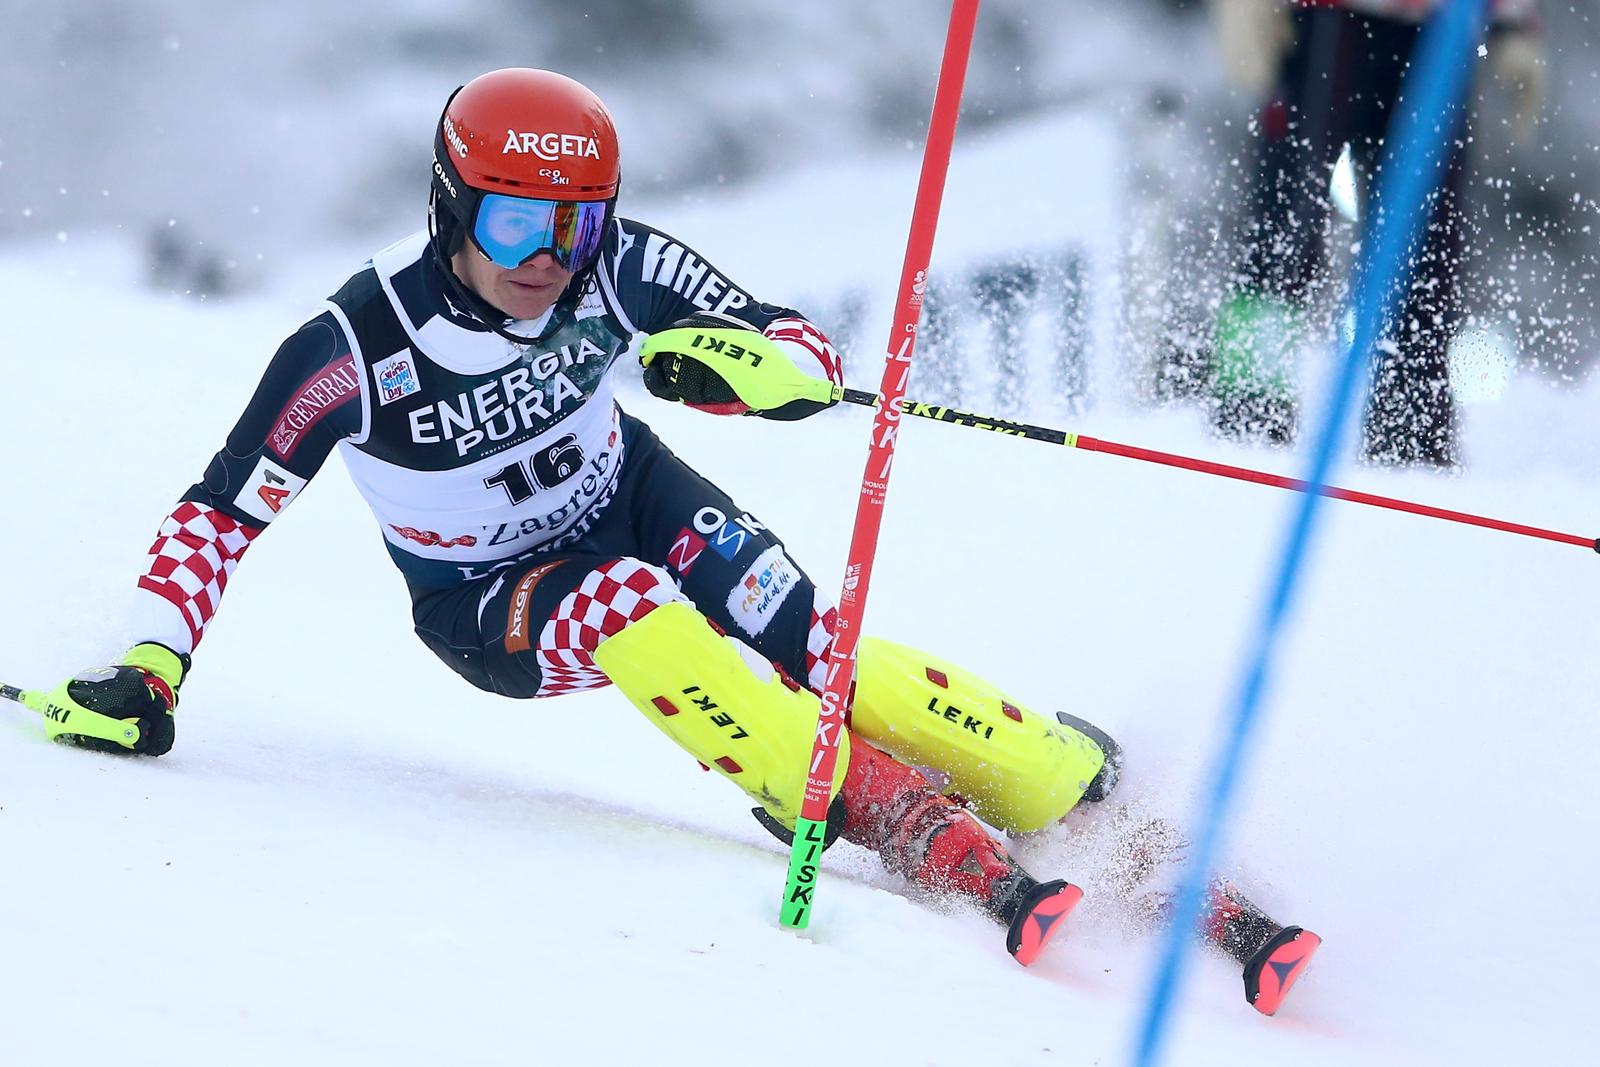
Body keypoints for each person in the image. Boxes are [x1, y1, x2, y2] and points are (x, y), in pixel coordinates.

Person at [32, 68, 1315, 1012]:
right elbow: (219, 509)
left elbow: (800, 348)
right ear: (450, 207)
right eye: (514, 225)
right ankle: (863, 800)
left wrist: (745, 371)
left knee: (816, 639)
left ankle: (1045, 771)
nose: (548, 260)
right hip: (493, 597)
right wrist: (150, 663)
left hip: (634, 489)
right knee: (636, 609)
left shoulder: (609, 266)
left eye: (574, 224)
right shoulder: (351, 350)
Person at [1208, 0, 1544, 465]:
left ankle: (1410, 431)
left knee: (1424, 256)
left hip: (1440, 34)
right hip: (1328, 18)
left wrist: (1513, 25)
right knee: (1284, 231)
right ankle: (1247, 412)